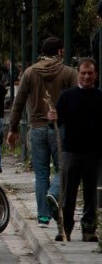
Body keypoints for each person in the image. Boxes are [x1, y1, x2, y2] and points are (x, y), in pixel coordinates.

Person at [7, 37, 78, 228]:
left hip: (36, 129)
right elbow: (78, 100)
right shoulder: (69, 73)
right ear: (60, 52)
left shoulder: (30, 73)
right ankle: (54, 194)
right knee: (63, 168)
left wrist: (13, 129)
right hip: (59, 129)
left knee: (41, 174)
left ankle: (43, 217)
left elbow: (19, 102)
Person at [50, 57, 102, 242]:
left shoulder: (100, 97)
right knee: (68, 193)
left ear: (95, 75)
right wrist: (52, 118)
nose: (87, 77)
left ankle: (89, 230)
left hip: (93, 153)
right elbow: (55, 123)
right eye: (83, 73)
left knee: (90, 194)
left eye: (90, 73)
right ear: (78, 74)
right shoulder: (67, 96)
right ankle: (65, 229)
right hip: (71, 152)